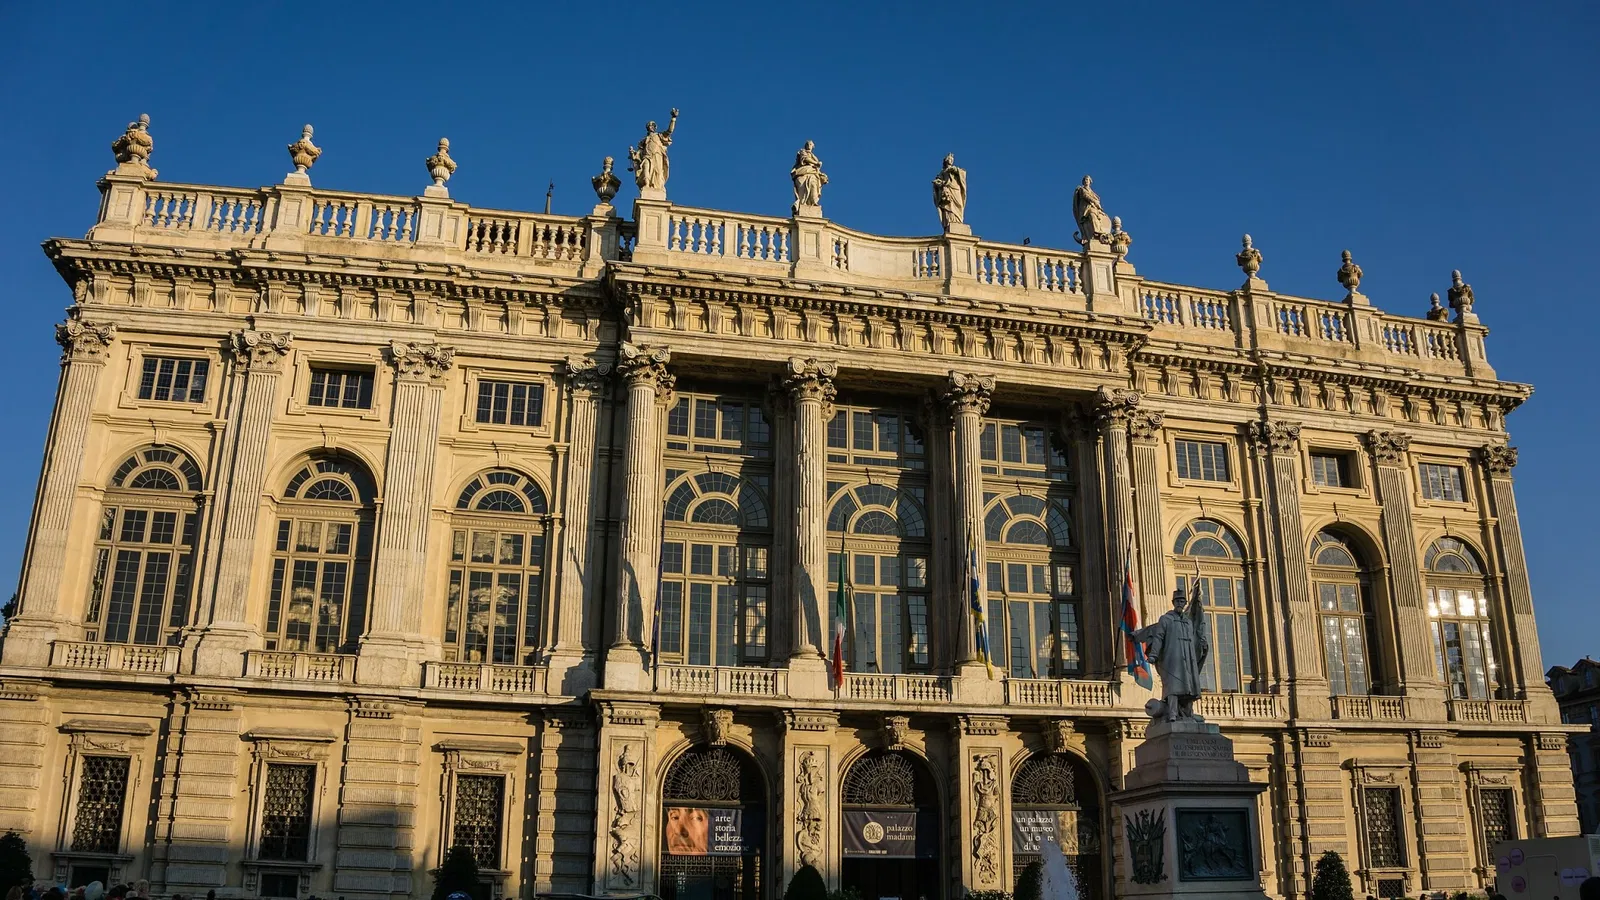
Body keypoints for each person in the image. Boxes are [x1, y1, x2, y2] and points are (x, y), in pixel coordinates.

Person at [1134, 587, 1209, 721]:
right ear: (1173, 602)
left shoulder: (1188, 622)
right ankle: (1173, 713)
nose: (1180, 603)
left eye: (1183, 601)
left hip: (1187, 658)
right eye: (1178, 601)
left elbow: (1194, 638)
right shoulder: (1166, 619)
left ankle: (1188, 713)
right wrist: (1154, 654)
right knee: (1173, 686)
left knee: (1189, 687)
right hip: (1172, 657)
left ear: (1185, 603)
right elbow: (1158, 637)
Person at [1073, 175, 1112, 245]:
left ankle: (1099, 230)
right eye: (1085, 180)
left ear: (1090, 182)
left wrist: (1097, 204)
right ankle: (1097, 231)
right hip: (1086, 209)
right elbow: (1086, 196)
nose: (1086, 181)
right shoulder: (1082, 189)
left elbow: (1097, 199)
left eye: (1087, 180)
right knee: (1092, 215)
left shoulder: (1092, 192)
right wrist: (1095, 201)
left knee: (1099, 216)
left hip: (1093, 207)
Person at [932, 154, 967, 230]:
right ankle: (950, 222)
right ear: (945, 161)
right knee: (949, 207)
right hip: (947, 190)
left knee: (958, 205)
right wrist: (938, 183)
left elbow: (963, 174)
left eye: (952, 159)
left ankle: (958, 221)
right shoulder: (942, 172)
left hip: (956, 189)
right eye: (949, 159)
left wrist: (955, 170)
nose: (951, 160)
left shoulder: (956, 169)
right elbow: (939, 181)